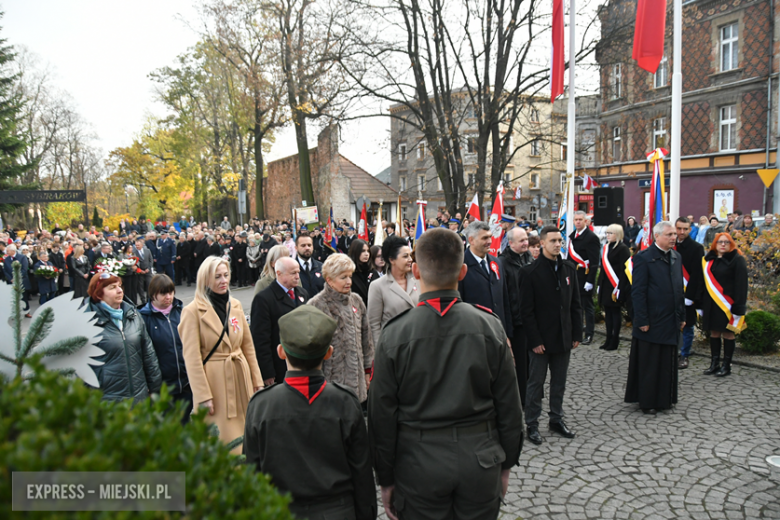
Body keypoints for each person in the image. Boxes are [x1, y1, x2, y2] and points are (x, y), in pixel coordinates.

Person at [368, 228, 523, 520]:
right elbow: (510, 406)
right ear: (463, 272)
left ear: (415, 270)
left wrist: (385, 478)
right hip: (480, 461)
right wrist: (506, 464)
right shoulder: (490, 326)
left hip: (418, 465)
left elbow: (381, 415)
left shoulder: (395, 334)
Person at [244, 306, 377, 520]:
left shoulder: (261, 405)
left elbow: (251, 475)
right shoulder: (345, 402)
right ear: (329, 353)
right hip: (338, 512)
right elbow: (362, 474)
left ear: (280, 352)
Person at [178, 256, 263, 453]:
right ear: (205, 280)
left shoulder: (235, 305)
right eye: (217, 277)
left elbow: (247, 346)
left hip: (241, 377)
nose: (223, 280)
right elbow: (192, 358)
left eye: (226, 275)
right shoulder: (192, 312)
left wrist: (256, 380)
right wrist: (202, 395)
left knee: (247, 434)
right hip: (215, 382)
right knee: (223, 437)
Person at [519, 225, 582, 445]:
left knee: (559, 382)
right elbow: (526, 311)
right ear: (542, 243)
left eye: (559, 240)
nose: (557, 244)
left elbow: (575, 304)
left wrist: (576, 333)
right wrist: (535, 340)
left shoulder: (569, 269)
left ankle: (556, 419)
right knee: (536, 383)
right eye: (553, 241)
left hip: (563, 337)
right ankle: (532, 424)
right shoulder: (529, 272)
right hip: (540, 341)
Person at [625, 221, 684, 415]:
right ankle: (648, 401)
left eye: (674, 234)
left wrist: (682, 315)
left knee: (667, 361)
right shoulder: (643, 257)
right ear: (657, 236)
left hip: (670, 319)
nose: (674, 238)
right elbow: (638, 292)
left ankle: (666, 398)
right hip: (652, 320)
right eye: (669, 234)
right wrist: (641, 320)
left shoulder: (676, 257)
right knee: (650, 362)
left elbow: (678, 289)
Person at [85, 272, 162, 401]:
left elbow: (148, 355)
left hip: (139, 397)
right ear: (98, 293)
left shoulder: (133, 315)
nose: (120, 290)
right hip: (108, 402)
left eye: (120, 286)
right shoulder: (87, 323)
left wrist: (155, 388)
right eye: (112, 287)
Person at [308, 254, 373, 404]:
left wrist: (368, 371)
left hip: (358, 380)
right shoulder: (316, 305)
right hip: (330, 383)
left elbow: (366, 339)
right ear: (329, 280)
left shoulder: (356, 301)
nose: (349, 281)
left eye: (350, 276)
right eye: (343, 277)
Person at [139, 274, 193, 422]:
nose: (168, 297)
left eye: (171, 292)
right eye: (163, 293)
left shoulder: (182, 312)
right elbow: (143, 355)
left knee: (185, 423)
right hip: (163, 386)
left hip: (186, 383)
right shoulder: (144, 318)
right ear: (152, 294)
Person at [251, 257, 310, 386]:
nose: (297, 276)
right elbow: (260, 339)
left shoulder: (302, 293)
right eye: (293, 273)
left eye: (298, 272)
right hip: (280, 366)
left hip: (302, 363)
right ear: (279, 273)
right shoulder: (264, 299)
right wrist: (267, 372)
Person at [701, 233, 748, 377]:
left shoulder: (737, 259)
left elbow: (741, 285)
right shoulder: (709, 260)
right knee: (714, 333)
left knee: (728, 333)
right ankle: (714, 363)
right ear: (715, 244)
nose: (723, 244)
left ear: (731, 244)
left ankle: (726, 366)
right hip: (712, 304)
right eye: (720, 242)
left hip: (728, 304)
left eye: (726, 242)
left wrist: (739, 307)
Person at [458, 221, 513, 338]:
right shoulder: (461, 265)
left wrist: (507, 333)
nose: (489, 242)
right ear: (471, 240)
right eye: (485, 238)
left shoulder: (496, 262)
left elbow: (504, 300)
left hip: (499, 332)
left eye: (490, 237)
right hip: (475, 334)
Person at [499, 227, 534, 405]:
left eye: (526, 239)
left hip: (531, 321)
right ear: (510, 243)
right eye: (521, 241)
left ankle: (534, 396)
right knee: (519, 365)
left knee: (533, 364)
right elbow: (504, 295)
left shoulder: (530, 259)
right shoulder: (502, 263)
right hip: (516, 322)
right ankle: (521, 399)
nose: (526, 243)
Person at [366, 235, 419, 348]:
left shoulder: (418, 280)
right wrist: (379, 352)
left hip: (419, 346)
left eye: (410, 255)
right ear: (391, 260)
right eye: (405, 256)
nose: (410, 259)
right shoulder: (378, 286)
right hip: (394, 348)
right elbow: (374, 325)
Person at [674, 217, 705, 369]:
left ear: (690, 229)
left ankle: (684, 355)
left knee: (688, 325)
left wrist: (691, 296)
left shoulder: (696, 248)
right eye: (679, 228)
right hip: (671, 292)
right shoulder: (670, 245)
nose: (681, 232)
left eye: (685, 229)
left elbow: (697, 275)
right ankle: (672, 352)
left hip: (687, 293)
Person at [596, 224, 631, 351]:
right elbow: (603, 269)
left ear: (618, 234)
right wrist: (599, 284)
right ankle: (608, 338)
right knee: (608, 314)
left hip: (616, 285)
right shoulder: (606, 247)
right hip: (606, 285)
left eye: (610, 233)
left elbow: (624, 270)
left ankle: (615, 340)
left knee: (615, 313)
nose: (607, 235)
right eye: (607, 233)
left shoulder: (623, 249)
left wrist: (620, 287)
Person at [568, 211, 600, 345]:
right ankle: (577, 331)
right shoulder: (572, 236)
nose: (578, 222)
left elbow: (594, 262)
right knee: (575, 306)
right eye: (576, 220)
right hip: (574, 276)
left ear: (586, 221)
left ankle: (589, 334)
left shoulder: (591, 237)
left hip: (585, 276)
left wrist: (590, 281)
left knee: (587, 307)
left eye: (580, 219)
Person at [348, 239, 378, 307]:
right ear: (355, 252)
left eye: (368, 251)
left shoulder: (373, 271)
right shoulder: (348, 273)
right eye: (363, 251)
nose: (366, 254)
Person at [4, 244, 32, 317]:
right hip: (12, 281)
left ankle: (26, 311)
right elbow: (5, 270)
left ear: (13, 251)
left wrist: (17, 277)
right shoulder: (7, 259)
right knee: (13, 298)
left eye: (8, 251)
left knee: (24, 297)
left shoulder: (22, 257)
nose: (7, 252)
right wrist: (10, 279)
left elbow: (24, 269)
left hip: (22, 280)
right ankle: (15, 313)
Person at [134, 237, 154, 305]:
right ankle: (143, 300)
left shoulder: (147, 251)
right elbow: (134, 263)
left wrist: (149, 268)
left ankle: (149, 298)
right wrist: (140, 270)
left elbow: (151, 260)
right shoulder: (134, 253)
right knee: (140, 286)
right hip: (140, 272)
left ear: (142, 245)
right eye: (136, 245)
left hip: (148, 271)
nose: (137, 246)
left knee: (149, 284)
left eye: (138, 245)